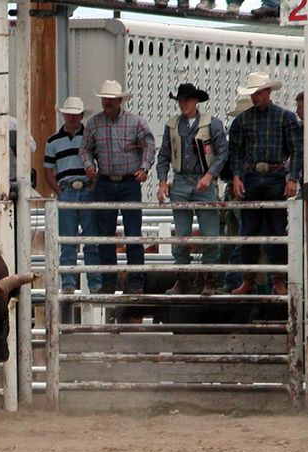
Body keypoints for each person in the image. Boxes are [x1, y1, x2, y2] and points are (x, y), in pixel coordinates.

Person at [79, 80, 156, 295]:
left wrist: (144, 167)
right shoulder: (95, 124)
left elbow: (149, 146)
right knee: (106, 235)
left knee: (133, 233)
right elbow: (84, 149)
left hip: (129, 181)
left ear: (119, 101)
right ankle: (110, 280)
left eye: (110, 100)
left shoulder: (136, 122)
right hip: (105, 181)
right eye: (105, 100)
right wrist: (89, 165)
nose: (107, 103)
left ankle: (135, 282)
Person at [230, 72, 302, 296]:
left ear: (268, 92)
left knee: (277, 229)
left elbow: (297, 151)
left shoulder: (285, 118)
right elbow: (236, 153)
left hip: (275, 174)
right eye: (253, 94)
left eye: (258, 93)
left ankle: (277, 279)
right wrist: (237, 176)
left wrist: (292, 178)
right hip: (252, 174)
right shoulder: (243, 120)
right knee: (249, 230)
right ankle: (249, 279)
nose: (255, 97)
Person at [157, 83, 228, 295]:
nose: (183, 104)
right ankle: (184, 279)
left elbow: (223, 152)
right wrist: (162, 181)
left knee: (209, 234)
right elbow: (163, 155)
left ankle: (209, 280)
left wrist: (210, 174)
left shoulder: (213, 124)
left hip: (202, 182)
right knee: (182, 234)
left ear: (196, 101)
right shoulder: (172, 126)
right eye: (180, 100)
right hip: (180, 182)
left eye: (187, 100)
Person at [44, 96, 102, 295]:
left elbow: (48, 170)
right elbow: (48, 171)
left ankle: (93, 282)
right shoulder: (52, 141)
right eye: (69, 114)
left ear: (80, 116)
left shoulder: (90, 137)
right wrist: (59, 192)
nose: (71, 117)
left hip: (85, 188)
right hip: (67, 189)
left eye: (74, 114)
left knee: (90, 240)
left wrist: (93, 186)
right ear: (65, 115)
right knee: (68, 241)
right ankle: (69, 283)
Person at [219, 96, 253, 294]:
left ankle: (231, 279)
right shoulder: (244, 139)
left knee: (236, 236)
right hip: (239, 187)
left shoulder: (236, 139)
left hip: (236, 188)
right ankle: (233, 279)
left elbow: (226, 168)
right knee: (237, 235)